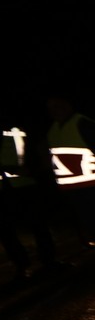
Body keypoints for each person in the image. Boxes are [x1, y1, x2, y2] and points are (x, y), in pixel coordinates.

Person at [45, 95, 95, 276]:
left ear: (67, 105)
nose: (54, 111)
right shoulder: (53, 130)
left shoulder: (84, 124)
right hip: (72, 188)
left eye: (58, 105)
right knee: (91, 223)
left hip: (93, 184)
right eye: (50, 108)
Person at [2, 116, 62, 288]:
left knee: (38, 224)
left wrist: (36, 170)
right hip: (7, 188)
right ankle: (22, 267)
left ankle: (48, 262)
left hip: (27, 184)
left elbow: (38, 149)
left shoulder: (22, 124)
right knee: (8, 230)